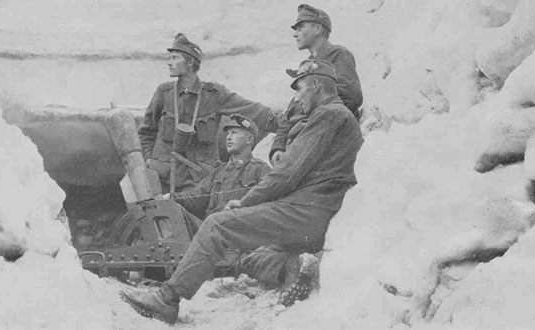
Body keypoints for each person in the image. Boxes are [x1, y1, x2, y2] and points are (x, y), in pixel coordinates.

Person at [120, 59, 364, 324]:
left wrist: (246, 202)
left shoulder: (328, 115)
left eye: (299, 88)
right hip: (311, 210)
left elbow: (287, 174)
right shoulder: (334, 116)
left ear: (316, 85)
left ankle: (166, 300)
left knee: (216, 225)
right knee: (253, 257)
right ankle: (294, 267)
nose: (297, 97)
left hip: (307, 211)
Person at [139, 33, 278, 193]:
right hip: (163, 176)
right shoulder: (164, 92)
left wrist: (286, 121)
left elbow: (253, 111)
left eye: (175, 58)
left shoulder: (213, 94)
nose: (169, 63)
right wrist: (149, 159)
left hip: (199, 181)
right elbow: (146, 132)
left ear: (190, 62)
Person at [270, 3, 363, 166]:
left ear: (318, 29)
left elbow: (350, 98)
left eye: (300, 27)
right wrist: (278, 147)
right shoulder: (306, 67)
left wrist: (309, 127)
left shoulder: (339, 54)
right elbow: (291, 111)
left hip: (324, 143)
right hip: (301, 144)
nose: (295, 34)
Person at [168, 114, 271, 235]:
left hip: (239, 234)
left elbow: (267, 208)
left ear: (249, 139)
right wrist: (170, 197)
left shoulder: (260, 170)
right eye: (228, 133)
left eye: (234, 133)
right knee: (171, 210)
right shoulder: (220, 170)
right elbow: (196, 198)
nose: (228, 137)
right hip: (210, 230)